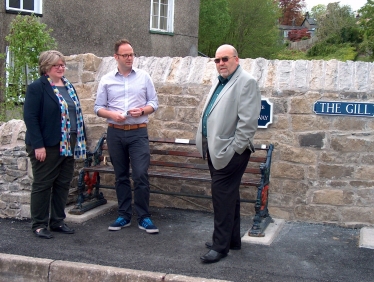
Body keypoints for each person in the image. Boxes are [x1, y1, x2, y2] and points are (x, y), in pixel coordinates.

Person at [196, 44, 261, 263]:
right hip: (215, 149)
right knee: (229, 197)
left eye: (225, 59)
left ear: (236, 59)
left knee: (221, 198)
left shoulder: (246, 82)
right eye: (217, 60)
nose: (221, 63)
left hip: (230, 153)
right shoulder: (220, 80)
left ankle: (220, 246)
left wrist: (235, 149)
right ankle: (232, 240)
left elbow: (248, 123)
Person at [94, 39, 159, 234]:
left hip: (138, 132)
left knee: (140, 174)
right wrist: (112, 114)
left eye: (132, 54)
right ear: (116, 57)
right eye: (125, 55)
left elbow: (154, 103)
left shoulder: (144, 77)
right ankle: (124, 215)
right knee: (120, 176)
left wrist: (143, 110)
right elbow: (98, 108)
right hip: (115, 132)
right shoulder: (106, 80)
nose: (130, 58)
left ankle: (144, 217)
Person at [24, 50, 87, 239]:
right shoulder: (38, 87)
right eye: (56, 65)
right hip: (47, 144)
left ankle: (57, 221)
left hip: (69, 143)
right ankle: (39, 224)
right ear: (46, 67)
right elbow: (30, 117)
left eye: (62, 64)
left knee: (62, 184)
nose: (60, 68)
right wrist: (38, 145)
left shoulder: (68, 87)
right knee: (43, 185)